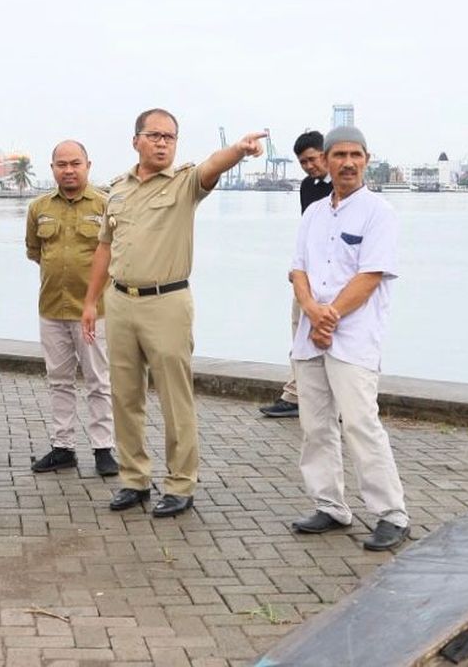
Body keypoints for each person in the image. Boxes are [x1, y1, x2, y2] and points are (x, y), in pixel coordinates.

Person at [81, 109, 266, 518]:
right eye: (155, 135)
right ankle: (134, 479)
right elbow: (104, 247)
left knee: (174, 398)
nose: (163, 143)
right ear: (136, 141)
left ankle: (181, 484)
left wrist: (238, 149)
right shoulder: (117, 189)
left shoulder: (185, 183)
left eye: (170, 137)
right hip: (120, 301)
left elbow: (211, 167)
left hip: (167, 302)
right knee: (124, 396)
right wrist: (91, 302)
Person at [288, 125, 409, 552]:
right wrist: (311, 311)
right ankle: (330, 505)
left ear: (367, 160)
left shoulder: (379, 213)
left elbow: (370, 275)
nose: (347, 162)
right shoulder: (314, 213)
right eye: (339, 155)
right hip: (311, 335)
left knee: (360, 423)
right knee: (315, 425)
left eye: (355, 155)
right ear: (326, 159)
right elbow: (297, 270)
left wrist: (330, 315)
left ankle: (390, 513)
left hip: (353, 336)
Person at [25, 140, 117, 476]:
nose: (68, 170)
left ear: (88, 166)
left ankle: (103, 448)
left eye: (75, 163)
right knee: (59, 381)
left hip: (94, 311)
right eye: (61, 164)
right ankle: (62, 447)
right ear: (52, 169)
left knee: (98, 381)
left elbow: (115, 256)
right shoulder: (39, 207)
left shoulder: (105, 205)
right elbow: (35, 250)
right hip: (51, 308)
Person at [261, 130, 332, 418]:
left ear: (325, 154)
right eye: (303, 162)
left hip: (332, 278)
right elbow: (307, 232)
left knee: (330, 334)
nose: (309, 166)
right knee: (298, 331)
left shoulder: (342, 187)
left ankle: (327, 399)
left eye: (312, 160)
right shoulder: (307, 186)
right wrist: (297, 266)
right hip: (306, 273)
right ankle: (295, 394)